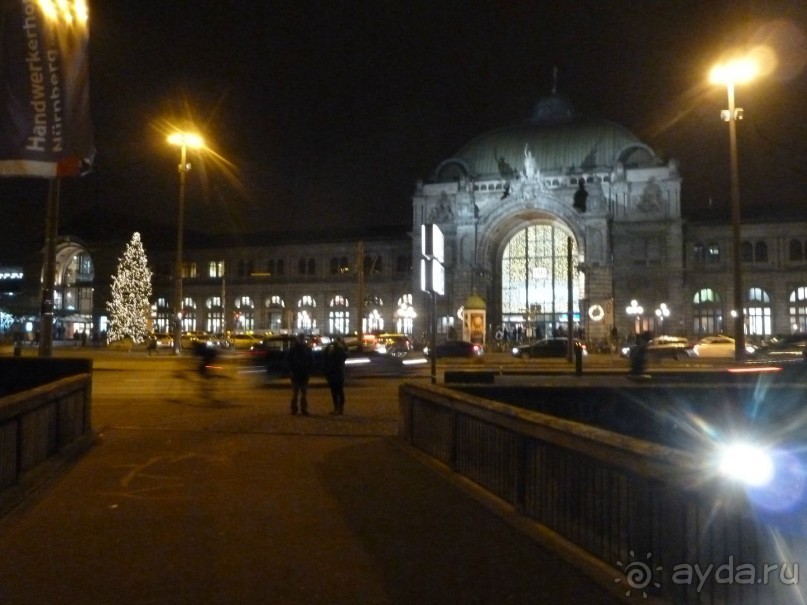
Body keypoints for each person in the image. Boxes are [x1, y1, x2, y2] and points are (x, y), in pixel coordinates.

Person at [286, 333, 313, 415]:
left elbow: (288, 360)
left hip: (299, 373)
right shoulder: (305, 348)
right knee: (300, 393)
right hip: (300, 373)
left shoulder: (294, 348)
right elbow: (311, 360)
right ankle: (300, 409)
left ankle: (296, 409)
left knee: (299, 393)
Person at [323, 337, 348, 415]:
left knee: (336, 392)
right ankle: (339, 408)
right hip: (338, 373)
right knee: (338, 392)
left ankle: (337, 408)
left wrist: (330, 345)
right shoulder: (340, 351)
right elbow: (346, 354)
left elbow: (325, 354)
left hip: (334, 373)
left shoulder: (335, 351)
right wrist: (344, 346)